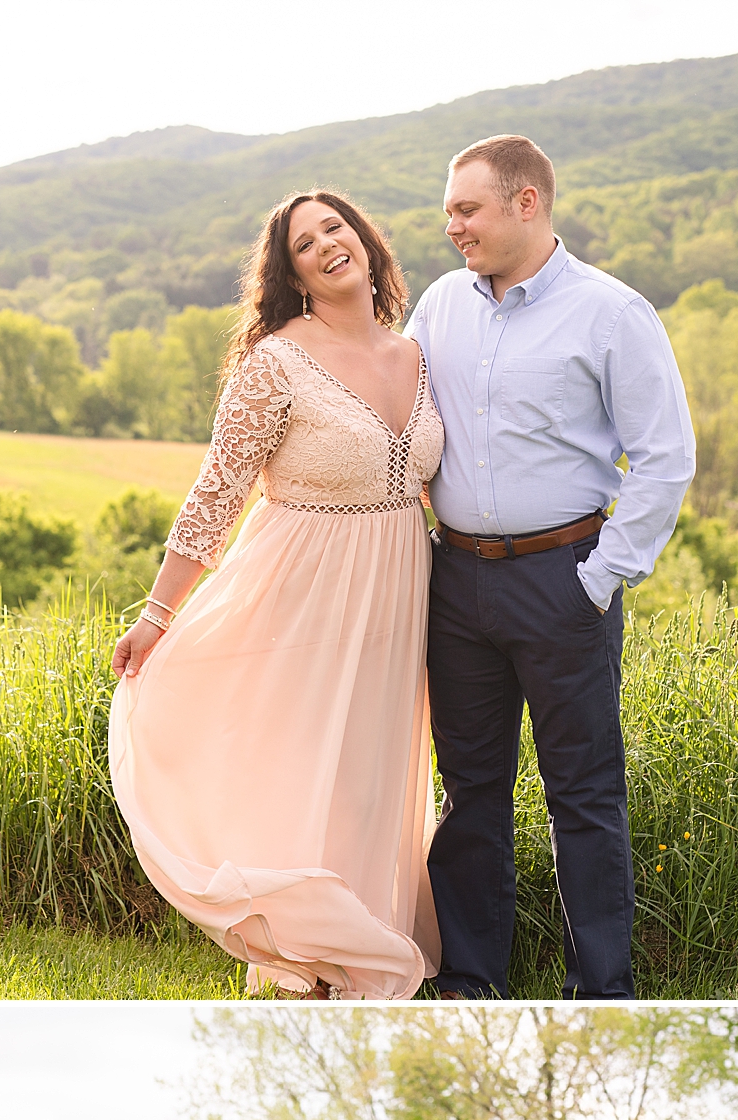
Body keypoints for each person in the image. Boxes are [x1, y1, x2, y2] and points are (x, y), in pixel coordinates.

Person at [108, 188, 444, 1001]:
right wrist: (158, 614)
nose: (329, 244)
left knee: (370, 772)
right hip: (301, 591)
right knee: (305, 768)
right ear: (290, 274)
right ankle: (310, 955)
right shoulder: (276, 362)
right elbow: (216, 493)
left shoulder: (418, 354)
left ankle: (364, 936)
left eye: (336, 227)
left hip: (402, 593)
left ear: (364, 239)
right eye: (305, 243)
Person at [406, 133, 696, 1000]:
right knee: (470, 794)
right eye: (450, 208)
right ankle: (469, 982)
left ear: (526, 203)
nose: (450, 224)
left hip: (562, 580)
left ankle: (602, 990)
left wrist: (599, 579)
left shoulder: (613, 313)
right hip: (454, 584)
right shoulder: (439, 305)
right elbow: (400, 409)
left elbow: (667, 458)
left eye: (467, 208)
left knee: (584, 795)